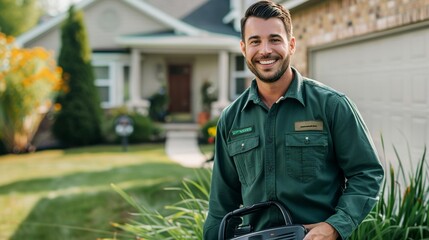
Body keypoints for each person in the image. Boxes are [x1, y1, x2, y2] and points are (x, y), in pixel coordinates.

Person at [203, 1, 385, 240]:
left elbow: (367, 173)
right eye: (255, 41)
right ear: (243, 48)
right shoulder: (232, 118)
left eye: (275, 39)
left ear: (291, 44)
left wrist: (335, 226)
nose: (265, 50)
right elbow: (220, 204)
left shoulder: (331, 105)